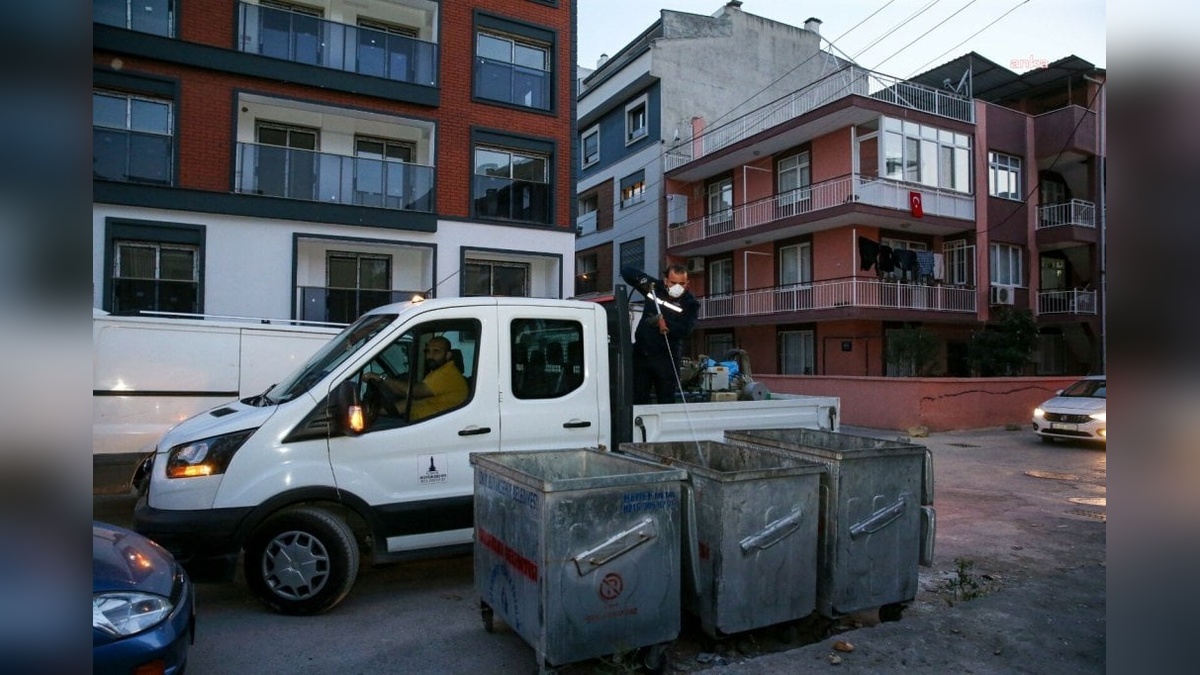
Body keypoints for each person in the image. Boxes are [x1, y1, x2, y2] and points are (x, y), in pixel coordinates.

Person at [631, 263, 699, 404]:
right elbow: (627, 272)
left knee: (666, 400)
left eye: (681, 283)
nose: (677, 287)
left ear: (687, 283)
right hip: (642, 356)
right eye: (673, 282)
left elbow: (685, 330)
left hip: (666, 359)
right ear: (666, 280)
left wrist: (664, 323)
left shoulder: (690, 303)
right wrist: (644, 280)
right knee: (638, 399)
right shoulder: (654, 289)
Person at [364, 335, 468, 421]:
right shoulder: (438, 372)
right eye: (428, 351)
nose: (430, 356)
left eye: (436, 351)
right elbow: (411, 401)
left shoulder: (448, 374)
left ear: (448, 355)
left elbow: (412, 392)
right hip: (419, 423)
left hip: (432, 428)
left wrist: (382, 378)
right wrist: (379, 411)